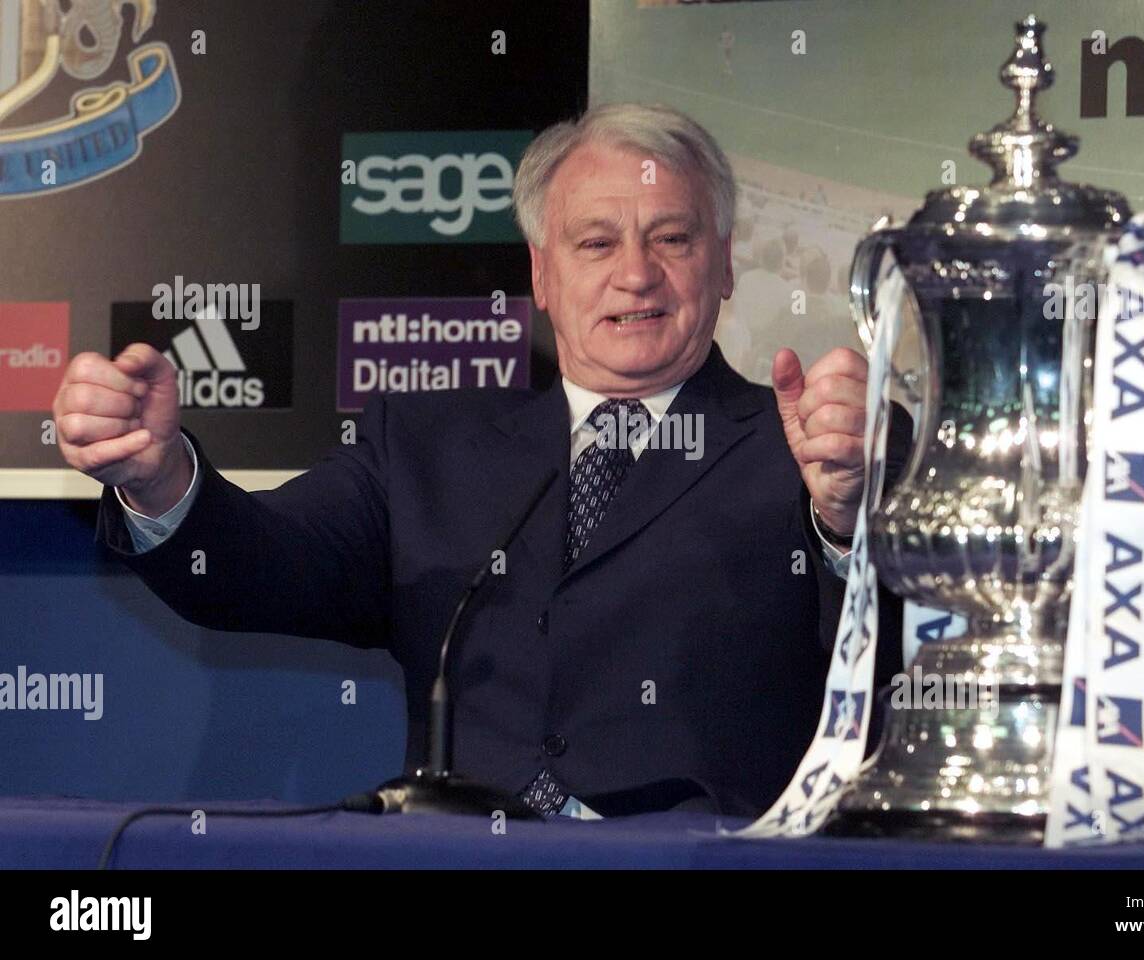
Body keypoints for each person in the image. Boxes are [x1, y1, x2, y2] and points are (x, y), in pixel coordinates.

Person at [53, 103, 911, 818]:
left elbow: (894, 679)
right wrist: (160, 479)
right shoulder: (423, 447)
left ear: (725, 263)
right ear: (540, 274)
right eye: (596, 244)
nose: (636, 276)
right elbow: (263, 566)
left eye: (673, 239)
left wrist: (843, 521)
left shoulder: (819, 451)